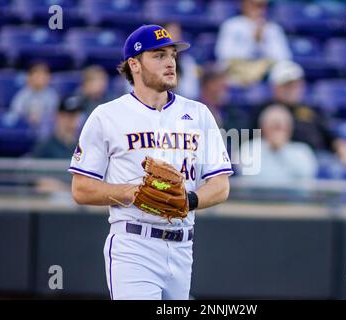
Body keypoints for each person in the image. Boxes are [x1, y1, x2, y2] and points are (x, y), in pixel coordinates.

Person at [69, 24, 233, 300]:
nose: (170, 62)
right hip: (134, 244)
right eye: (158, 56)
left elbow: (221, 186)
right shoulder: (107, 116)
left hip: (183, 247)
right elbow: (81, 189)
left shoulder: (199, 114)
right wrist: (132, 192)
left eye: (172, 55)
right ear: (134, 64)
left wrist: (188, 201)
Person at [260, 60, 346, 176]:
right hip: (286, 157)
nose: (292, 89)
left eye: (296, 84)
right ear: (276, 87)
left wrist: (345, 149)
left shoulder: (311, 110)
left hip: (319, 157)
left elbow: (331, 136)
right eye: (287, 85)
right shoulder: (265, 109)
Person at [215, 0, 292, 85]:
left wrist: (261, 43)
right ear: (244, 4)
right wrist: (253, 42)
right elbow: (224, 55)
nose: (259, 9)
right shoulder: (232, 25)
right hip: (238, 75)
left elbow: (283, 57)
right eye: (255, 4)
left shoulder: (273, 28)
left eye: (262, 5)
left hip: (266, 76)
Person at [238, 104, 318, 184]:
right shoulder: (249, 148)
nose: (277, 131)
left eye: (281, 126)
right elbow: (248, 175)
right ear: (263, 127)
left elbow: (306, 174)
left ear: (290, 128)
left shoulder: (302, 150)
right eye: (274, 126)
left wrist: (281, 149)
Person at [32, 96, 84, 194]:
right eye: (69, 115)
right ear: (58, 116)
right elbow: (39, 182)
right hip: (54, 199)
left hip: (80, 200)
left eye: (76, 115)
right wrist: (68, 191)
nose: (74, 120)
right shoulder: (46, 146)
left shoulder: (83, 145)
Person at [4, 61, 59, 140]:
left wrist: (41, 119)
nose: (40, 78)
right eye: (37, 75)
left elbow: (55, 115)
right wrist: (27, 118)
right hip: (24, 130)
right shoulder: (22, 95)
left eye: (43, 75)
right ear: (29, 77)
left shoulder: (52, 96)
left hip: (46, 132)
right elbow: (14, 114)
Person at [163, 22, 200, 100]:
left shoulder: (187, 62)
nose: (176, 37)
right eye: (171, 33)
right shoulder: (147, 62)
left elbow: (191, 93)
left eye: (178, 33)